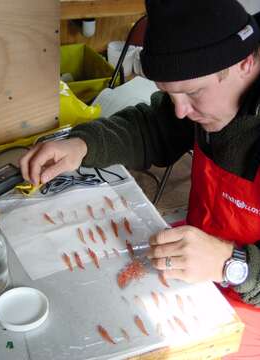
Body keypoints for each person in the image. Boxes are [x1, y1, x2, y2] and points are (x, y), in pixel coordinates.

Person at [20, 0, 260, 357]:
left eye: (193, 93)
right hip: (194, 262)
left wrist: (233, 264)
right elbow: (155, 126)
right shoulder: (206, 95)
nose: (182, 110)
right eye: (170, 94)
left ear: (246, 62)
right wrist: (83, 144)